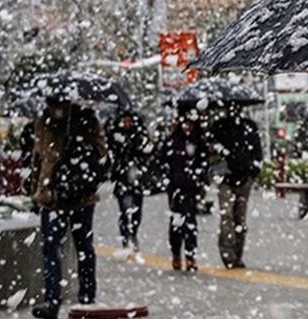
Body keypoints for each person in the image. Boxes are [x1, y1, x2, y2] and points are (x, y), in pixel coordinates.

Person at [29, 98, 108, 319]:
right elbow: (39, 157)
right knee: (51, 248)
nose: (54, 106)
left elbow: (102, 154)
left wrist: (77, 141)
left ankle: (87, 299)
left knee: (83, 247)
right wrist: (36, 190)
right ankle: (53, 301)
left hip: (81, 197)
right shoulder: (43, 121)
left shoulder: (85, 118)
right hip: (51, 196)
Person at [209, 104, 263, 269]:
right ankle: (228, 255)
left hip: (244, 178)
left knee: (240, 218)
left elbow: (257, 151)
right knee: (227, 217)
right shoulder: (218, 126)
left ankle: (237, 254)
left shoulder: (249, 126)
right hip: (226, 178)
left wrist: (253, 171)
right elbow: (210, 150)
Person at [160, 110, 209, 272]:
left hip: (191, 187)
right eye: (184, 124)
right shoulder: (172, 141)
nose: (187, 127)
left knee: (190, 222)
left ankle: (190, 255)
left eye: (190, 124)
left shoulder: (198, 141)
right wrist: (168, 178)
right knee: (176, 222)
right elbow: (161, 161)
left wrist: (201, 180)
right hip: (175, 188)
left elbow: (204, 162)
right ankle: (176, 254)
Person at [106, 111, 152, 260]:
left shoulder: (139, 135)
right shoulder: (114, 134)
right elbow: (112, 153)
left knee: (137, 211)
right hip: (122, 178)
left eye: (129, 121)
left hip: (136, 177)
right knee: (125, 211)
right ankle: (126, 239)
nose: (127, 124)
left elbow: (146, 154)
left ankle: (133, 234)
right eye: (124, 121)